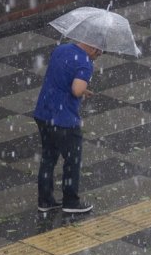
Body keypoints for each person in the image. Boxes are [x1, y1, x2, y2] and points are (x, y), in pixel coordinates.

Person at [33, 41, 102, 213]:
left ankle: (45, 200)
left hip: (44, 112)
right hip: (64, 119)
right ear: (94, 48)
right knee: (72, 160)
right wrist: (82, 88)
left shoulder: (61, 49)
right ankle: (71, 202)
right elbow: (76, 90)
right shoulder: (85, 63)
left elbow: (61, 77)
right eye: (99, 53)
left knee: (48, 157)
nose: (97, 57)